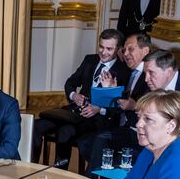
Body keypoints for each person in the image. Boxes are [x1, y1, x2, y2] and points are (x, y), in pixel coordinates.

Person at [32, 29, 130, 167]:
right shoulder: (90, 60)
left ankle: (59, 172)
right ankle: (32, 166)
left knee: (65, 131)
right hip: (72, 112)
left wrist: (98, 108)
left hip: (96, 119)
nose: (103, 52)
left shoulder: (123, 71)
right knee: (35, 126)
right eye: (101, 47)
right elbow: (70, 83)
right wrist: (74, 95)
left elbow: (118, 108)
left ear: (118, 49)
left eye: (109, 49)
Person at [76, 33, 152, 175]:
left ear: (145, 51)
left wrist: (134, 106)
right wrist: (110, 90)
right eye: (124, 50)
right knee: (86, 142)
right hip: (122, 126)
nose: (126, 54)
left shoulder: (149, 75)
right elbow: (120, 104)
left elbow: (148, 104)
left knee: (99, 141)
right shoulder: (131, 72)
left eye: (131, 49)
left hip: (138, 131)